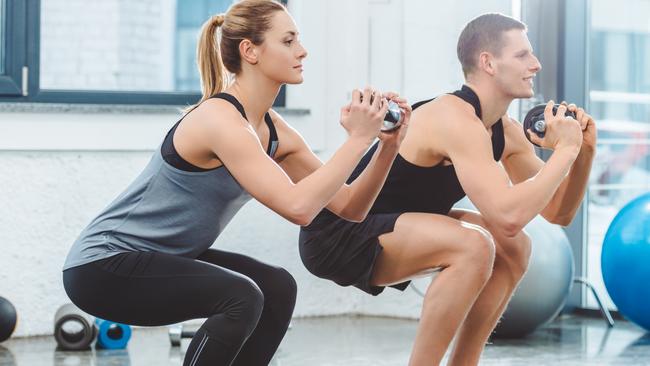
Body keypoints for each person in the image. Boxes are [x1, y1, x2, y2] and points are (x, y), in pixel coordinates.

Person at [61, 1, 411, 365]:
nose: (302, 50)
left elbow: (351, 207)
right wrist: (356, 140)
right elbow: (299, 208)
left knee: (276, 288)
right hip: (103, 266)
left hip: (163, 256)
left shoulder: (274, 130)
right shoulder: (219, 119)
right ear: (250, 51)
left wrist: (388, 146)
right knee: (241, 296)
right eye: (288, 41)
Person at [299, 12, 596, 366]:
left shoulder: (506, 130)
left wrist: (584, 152)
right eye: (522, 55)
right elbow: (507, 215)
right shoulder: (453, 118)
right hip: (337, 233)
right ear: (488, 62)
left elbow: (557, 213)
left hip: (401, 221)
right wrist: (565, 150)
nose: (536, 63)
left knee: (515, 247)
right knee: (475, 244)